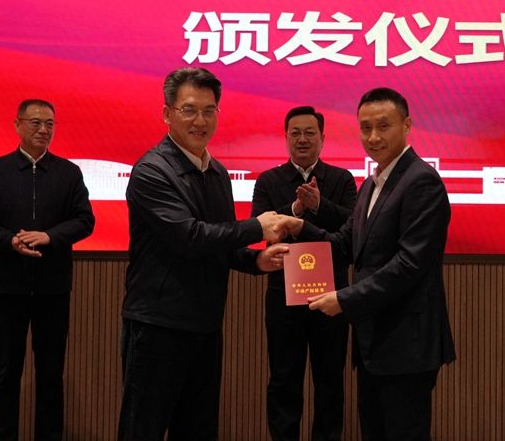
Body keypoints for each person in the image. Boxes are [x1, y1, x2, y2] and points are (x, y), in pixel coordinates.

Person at [117, 66, 295, 441]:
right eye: (189, 110)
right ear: (167, 113)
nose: (200, 121)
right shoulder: (151, 171)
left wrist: (256, 260)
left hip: (205, 324)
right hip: (157, 325)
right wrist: (257, 227)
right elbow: (190, 237)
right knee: (143, 428)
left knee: (198, 430)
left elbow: (221, 244)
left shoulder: (217, 173)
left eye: (209, 110)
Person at [288, 87, 455, 441]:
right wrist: (299, 228)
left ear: (406, 125)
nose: (373, 137)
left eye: (383, 126)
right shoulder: (371, 184)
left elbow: (409, 264)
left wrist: (345, 299)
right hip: (374, 342)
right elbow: (344, 244)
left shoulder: (421, 181)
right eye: (365, 128)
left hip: (407, 344)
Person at [0, 99, 95, 441]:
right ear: (18, 125)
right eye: (36, 122)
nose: (44, 130)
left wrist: (49, 236)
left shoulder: (69, 173)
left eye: (50, 124)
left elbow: (85, 220)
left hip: (54, 288)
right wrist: (10, 240)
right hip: (6, 288)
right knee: (6, 374)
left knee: (51, 374)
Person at [251, 106, 357, 441]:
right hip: (283, 294)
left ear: (322, 138)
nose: (302, 139)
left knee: (330, 380)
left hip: (331, 295)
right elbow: (261, 229)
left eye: (310, 133)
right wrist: (295, 209)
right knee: (284, 379)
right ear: (286, 138)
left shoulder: (341, 179)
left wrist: (319, 205)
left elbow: (353, 229)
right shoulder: (269, 181)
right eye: (295, 133)